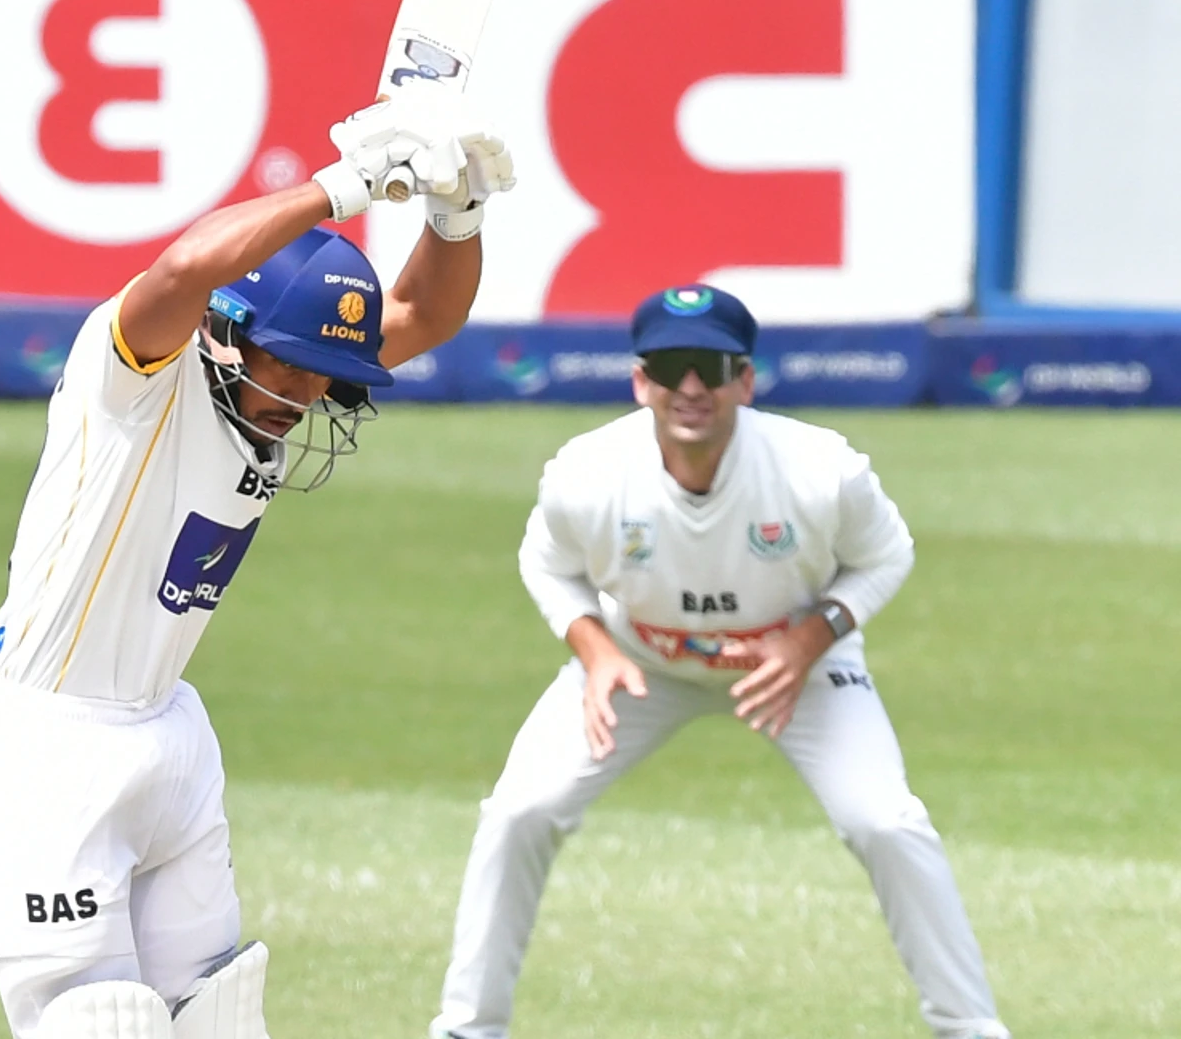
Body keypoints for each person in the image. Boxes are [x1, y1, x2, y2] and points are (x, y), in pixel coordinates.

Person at [0, 93, 516, 1039]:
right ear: (227, 329)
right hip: (49, 745)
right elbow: (181, 267)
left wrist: (457, 213)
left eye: (316, 375)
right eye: (283, 366)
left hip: (171, 732)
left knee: (220, 1021)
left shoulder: (279, 396)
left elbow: (424, 311)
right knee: (98, 1024)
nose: (298, 395)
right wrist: (341, 188)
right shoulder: (132, 381)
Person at [428, 286, 1009, 1039]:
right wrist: (594, 649)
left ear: (746, 379)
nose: (691, 389)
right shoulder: (586, 472)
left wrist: (809, 641)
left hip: (790, 657)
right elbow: (546, 565)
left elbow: (885, 556)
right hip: (641, 660)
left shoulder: (822, 469)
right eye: (671, 367)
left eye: (711, 366)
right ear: (641, 381)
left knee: (887, 822)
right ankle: (467, 1029)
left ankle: (971, 1029)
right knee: (520, 810)